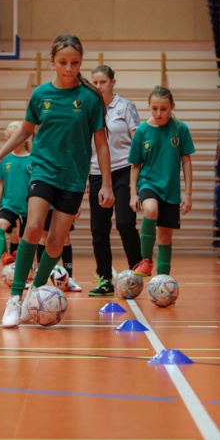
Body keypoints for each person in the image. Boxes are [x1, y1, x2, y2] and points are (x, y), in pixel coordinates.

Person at [0, 34, 113, 328]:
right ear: (52, 61)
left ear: (81, 62)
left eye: (75, 62)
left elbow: (101, 143)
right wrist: (0, 154)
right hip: (42, 169)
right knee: (32, 227)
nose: (69, 68)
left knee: (55, 242)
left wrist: (105, 183)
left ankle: (35, 292)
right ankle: (15, 298)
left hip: (74, 176)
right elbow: (25, 130)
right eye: (63, 62)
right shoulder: (41, 94)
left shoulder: (90, 98)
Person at [86, 65, 143, 295]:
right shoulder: (89, 109)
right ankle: (104, 280)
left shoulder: (125, 106)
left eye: (103, 82)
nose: (99, 86)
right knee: (98, 229)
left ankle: (136, 271)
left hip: (124, 170)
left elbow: (137, 141)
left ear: (113, 82)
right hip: (96, 172)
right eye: (95, 82)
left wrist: (140, 175)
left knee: (125, 223)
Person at [130, 85, 195, 278]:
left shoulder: (180, 129)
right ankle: (145, 261)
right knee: (150, 210)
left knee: (165, 238)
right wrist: (133, 194)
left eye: (164, 109)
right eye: (154, 108)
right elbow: (135, 165)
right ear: (149, 107)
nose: (159, 113)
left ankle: (163, 280)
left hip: (170, 189)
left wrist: (188, 194)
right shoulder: (142, 131)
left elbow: (186, 161)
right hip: (148, 183)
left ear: (172, 106)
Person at [0, 121, 31, 270]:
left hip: (27, 206)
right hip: (9, 204)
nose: (12, 141)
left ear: (24, 138)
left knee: (24, 239)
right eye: (9, 138)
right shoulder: (4, 158)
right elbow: (0, 183)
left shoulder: (32, 159)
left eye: (15, 138)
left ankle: (26, 268)